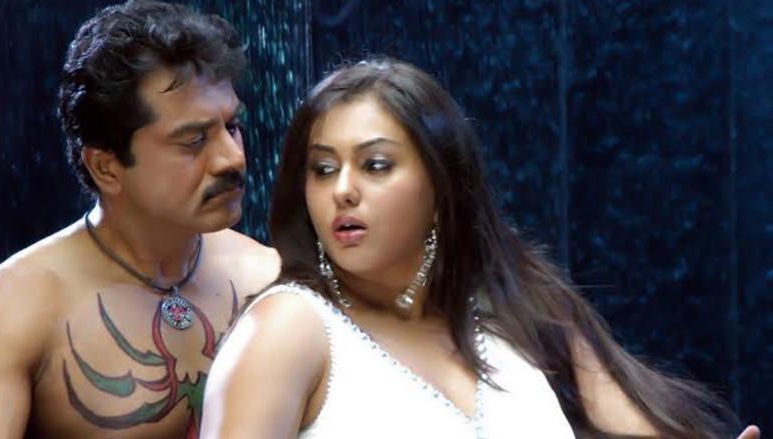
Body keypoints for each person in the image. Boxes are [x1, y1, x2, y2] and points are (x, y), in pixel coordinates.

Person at [201, 58, 760, 438]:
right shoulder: (290, 329)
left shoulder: (513, 305)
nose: (342, 190)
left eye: (376, 165)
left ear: (440, 187)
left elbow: (638, 426)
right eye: (323, 169)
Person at [0, 1, 280, 438]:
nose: (232, 158)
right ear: (106, 167)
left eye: (231, 126)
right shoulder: (14, 309)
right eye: (193, 140)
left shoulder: (268, 279)